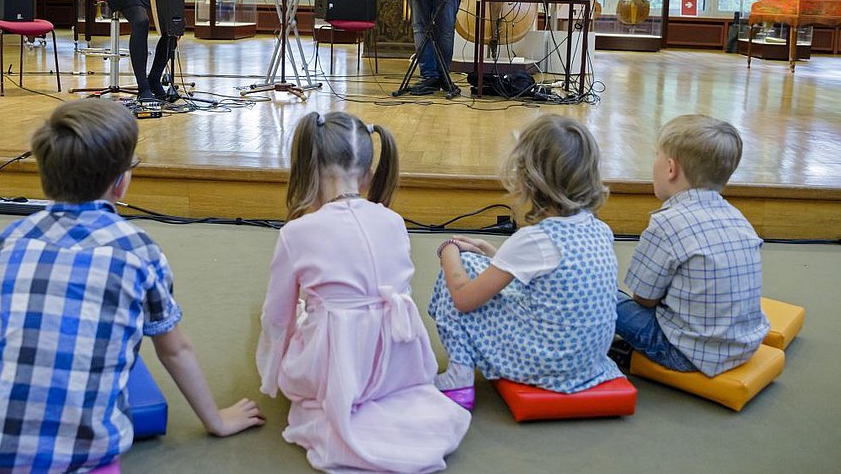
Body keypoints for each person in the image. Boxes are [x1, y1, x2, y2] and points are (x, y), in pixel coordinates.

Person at [0, 99, 263, 472]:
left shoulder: (10, 239)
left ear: (45, 174)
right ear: (121, 182)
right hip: (89, 452)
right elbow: (175, 349)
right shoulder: (140, 250)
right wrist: (217, 421)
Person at [256, 111, 470, 472]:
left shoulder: (297, 232)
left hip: (337, 364)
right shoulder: (393, 221)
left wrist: (271, 368)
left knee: (295, 315)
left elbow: (276, 318)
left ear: (308, 170)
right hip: (400, 361)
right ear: (369, 175)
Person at [429, 114, 621, 408]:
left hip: (545, 364)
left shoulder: (536, 239)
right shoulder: (599, 229)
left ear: (529, 178)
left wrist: (448, 250)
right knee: (479, 264)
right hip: (587, 364)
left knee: (461, 269)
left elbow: (464, 300)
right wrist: (490, 251)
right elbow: (546, 275)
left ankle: (459, 375)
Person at [615, 114, 769, 375]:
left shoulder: (667, 223)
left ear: (671, 169)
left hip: (684, 355)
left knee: (604, 296)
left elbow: (644, 299)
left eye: (657, 155)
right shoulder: (736, 216)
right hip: (745, 344)